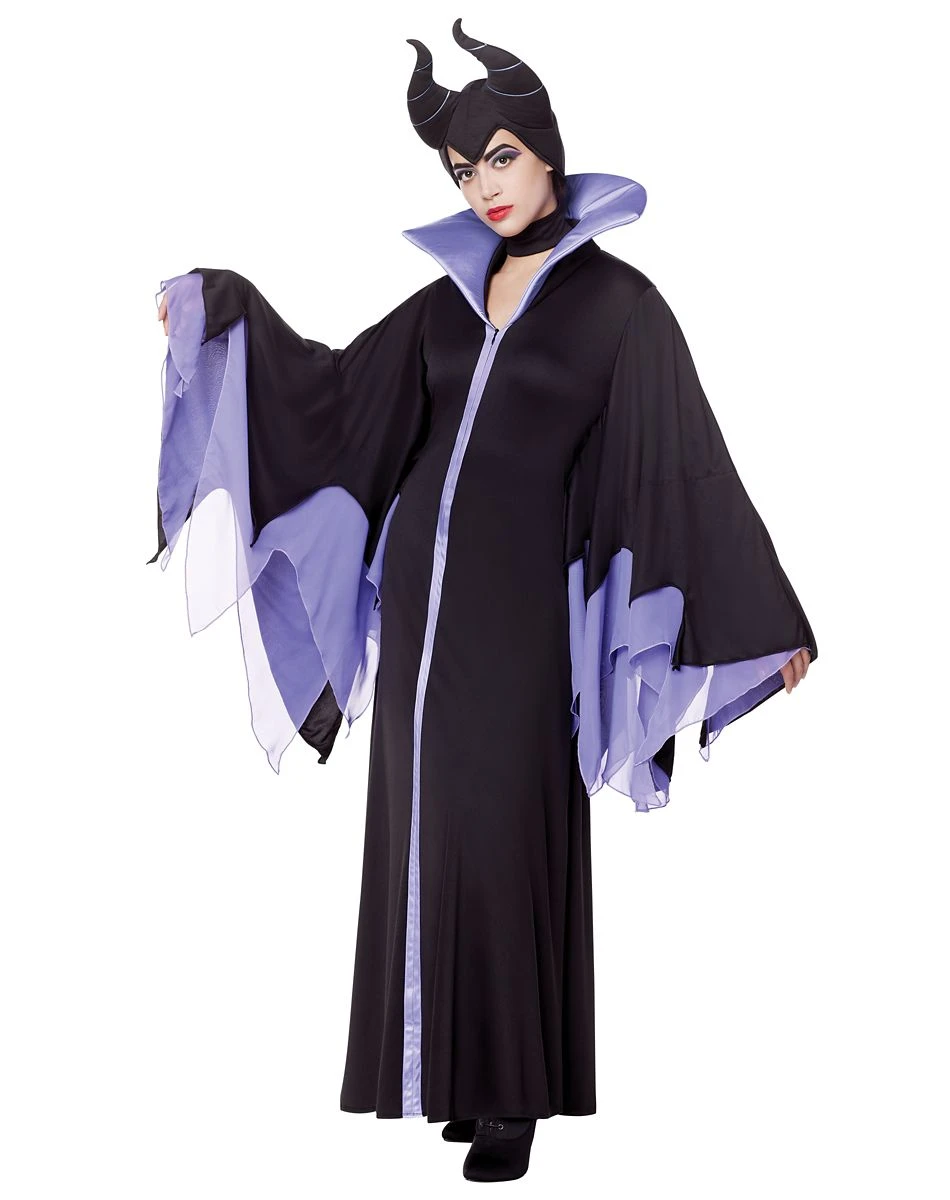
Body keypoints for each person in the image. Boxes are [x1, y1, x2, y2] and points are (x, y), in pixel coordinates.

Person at [150, 19, 816, 1185]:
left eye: (498, 158)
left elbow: (685, 464)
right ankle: (446, 1076)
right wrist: (228, 303)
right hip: (419, 613)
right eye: (463, 171)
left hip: (521, 614)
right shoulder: (445, 302)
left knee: (508, 828)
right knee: (428, 828)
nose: (483, 188)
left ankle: (515, 1091)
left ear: (546, 150)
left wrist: (758, 613)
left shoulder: (618, 307)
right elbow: (330, 389)